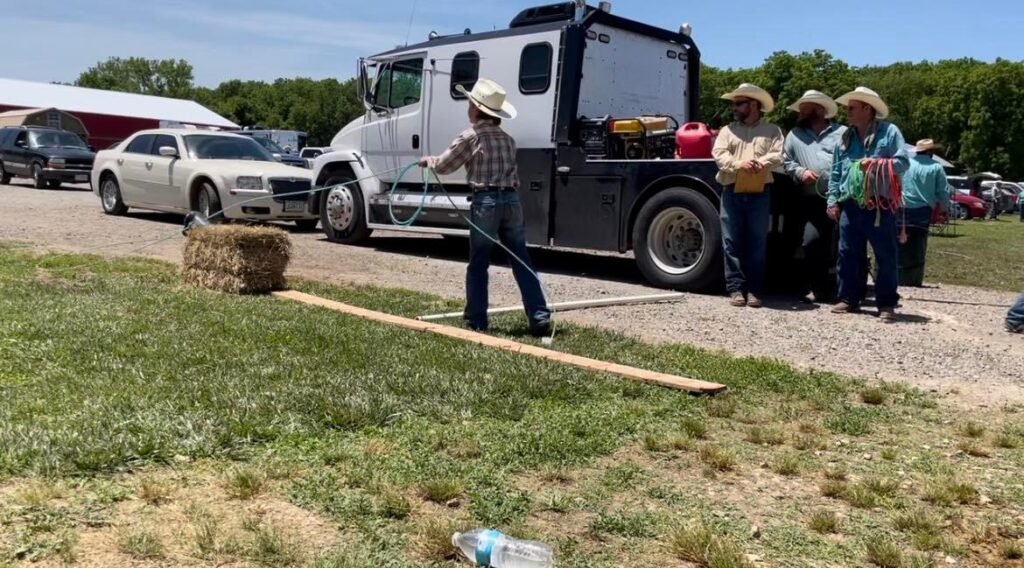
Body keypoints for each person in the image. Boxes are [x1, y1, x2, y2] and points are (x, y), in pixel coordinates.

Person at [418, 78, 552, 336]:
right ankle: (539, 316)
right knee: (521, 259)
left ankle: (476, 320)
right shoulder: (508, 140)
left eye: (470, 104)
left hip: (486, 202)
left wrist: (428, 161)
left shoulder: (471, 136)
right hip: (512, 202)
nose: (468, 108)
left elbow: (444, 166)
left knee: (479, 262)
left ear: (476, 109)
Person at [827, 87, 910, 322]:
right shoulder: (845, 138)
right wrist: (832, 200)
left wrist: (874, 163)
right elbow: (836, 172)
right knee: (847, 252)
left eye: (852, 107)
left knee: (885, 255)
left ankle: (886, 303)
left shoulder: (889, 132)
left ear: (867, 108)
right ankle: (848, 298)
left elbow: (903, 162)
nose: (847, 111)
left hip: (880, 205)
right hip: (851, 203)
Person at [712, 83, 784, 308]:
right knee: (730, 242)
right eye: (734, 103)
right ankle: (735, 289)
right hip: (731, 190)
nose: (734, 107)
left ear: (753, 105)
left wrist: (760, 162)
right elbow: (719, 154)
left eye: (739, 103)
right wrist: (739, 164)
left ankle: (754, 290)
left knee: (757, 243)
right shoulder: (727, 131)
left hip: (760, 192)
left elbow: (778, 154)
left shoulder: (772, 130)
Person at [783, 90, 846, 302]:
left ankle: (847, 291)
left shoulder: (843, 133)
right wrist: (801, 172)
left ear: (819, 110)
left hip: (843, 197)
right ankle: (819, 288)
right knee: (812, 242)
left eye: (804, 108)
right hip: (813, 200)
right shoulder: (794, 135)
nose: (800, 111)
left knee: (845, 245)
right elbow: (786, 161)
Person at [898, 139, 950, 287]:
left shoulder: (906, 164)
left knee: (898, 242)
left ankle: (897, 275)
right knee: (918, 245)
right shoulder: (936, 167)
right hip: (922, 209)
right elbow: (943, 191)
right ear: (930, 152)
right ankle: (913, 278)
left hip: (901, 207)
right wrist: (944, 210)